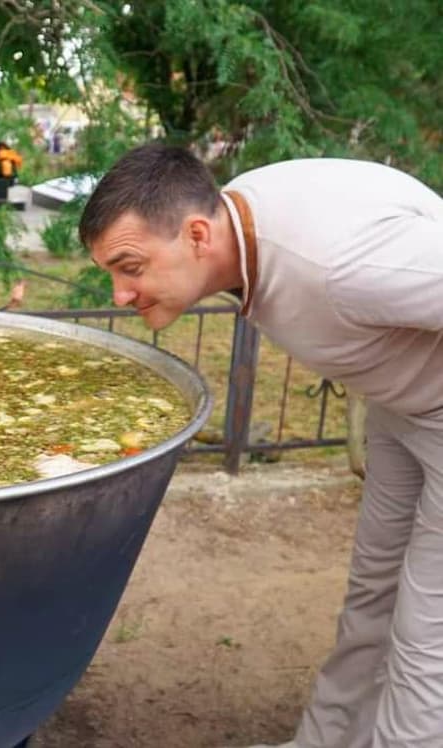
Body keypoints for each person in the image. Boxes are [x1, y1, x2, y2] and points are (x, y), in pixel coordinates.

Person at [78, 142, 443, 748]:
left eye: (130, 266)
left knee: (427, 629)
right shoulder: (239, 216)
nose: (120, 293)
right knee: (371, 601)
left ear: (196, 235)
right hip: (402, 410)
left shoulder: (340, 264)